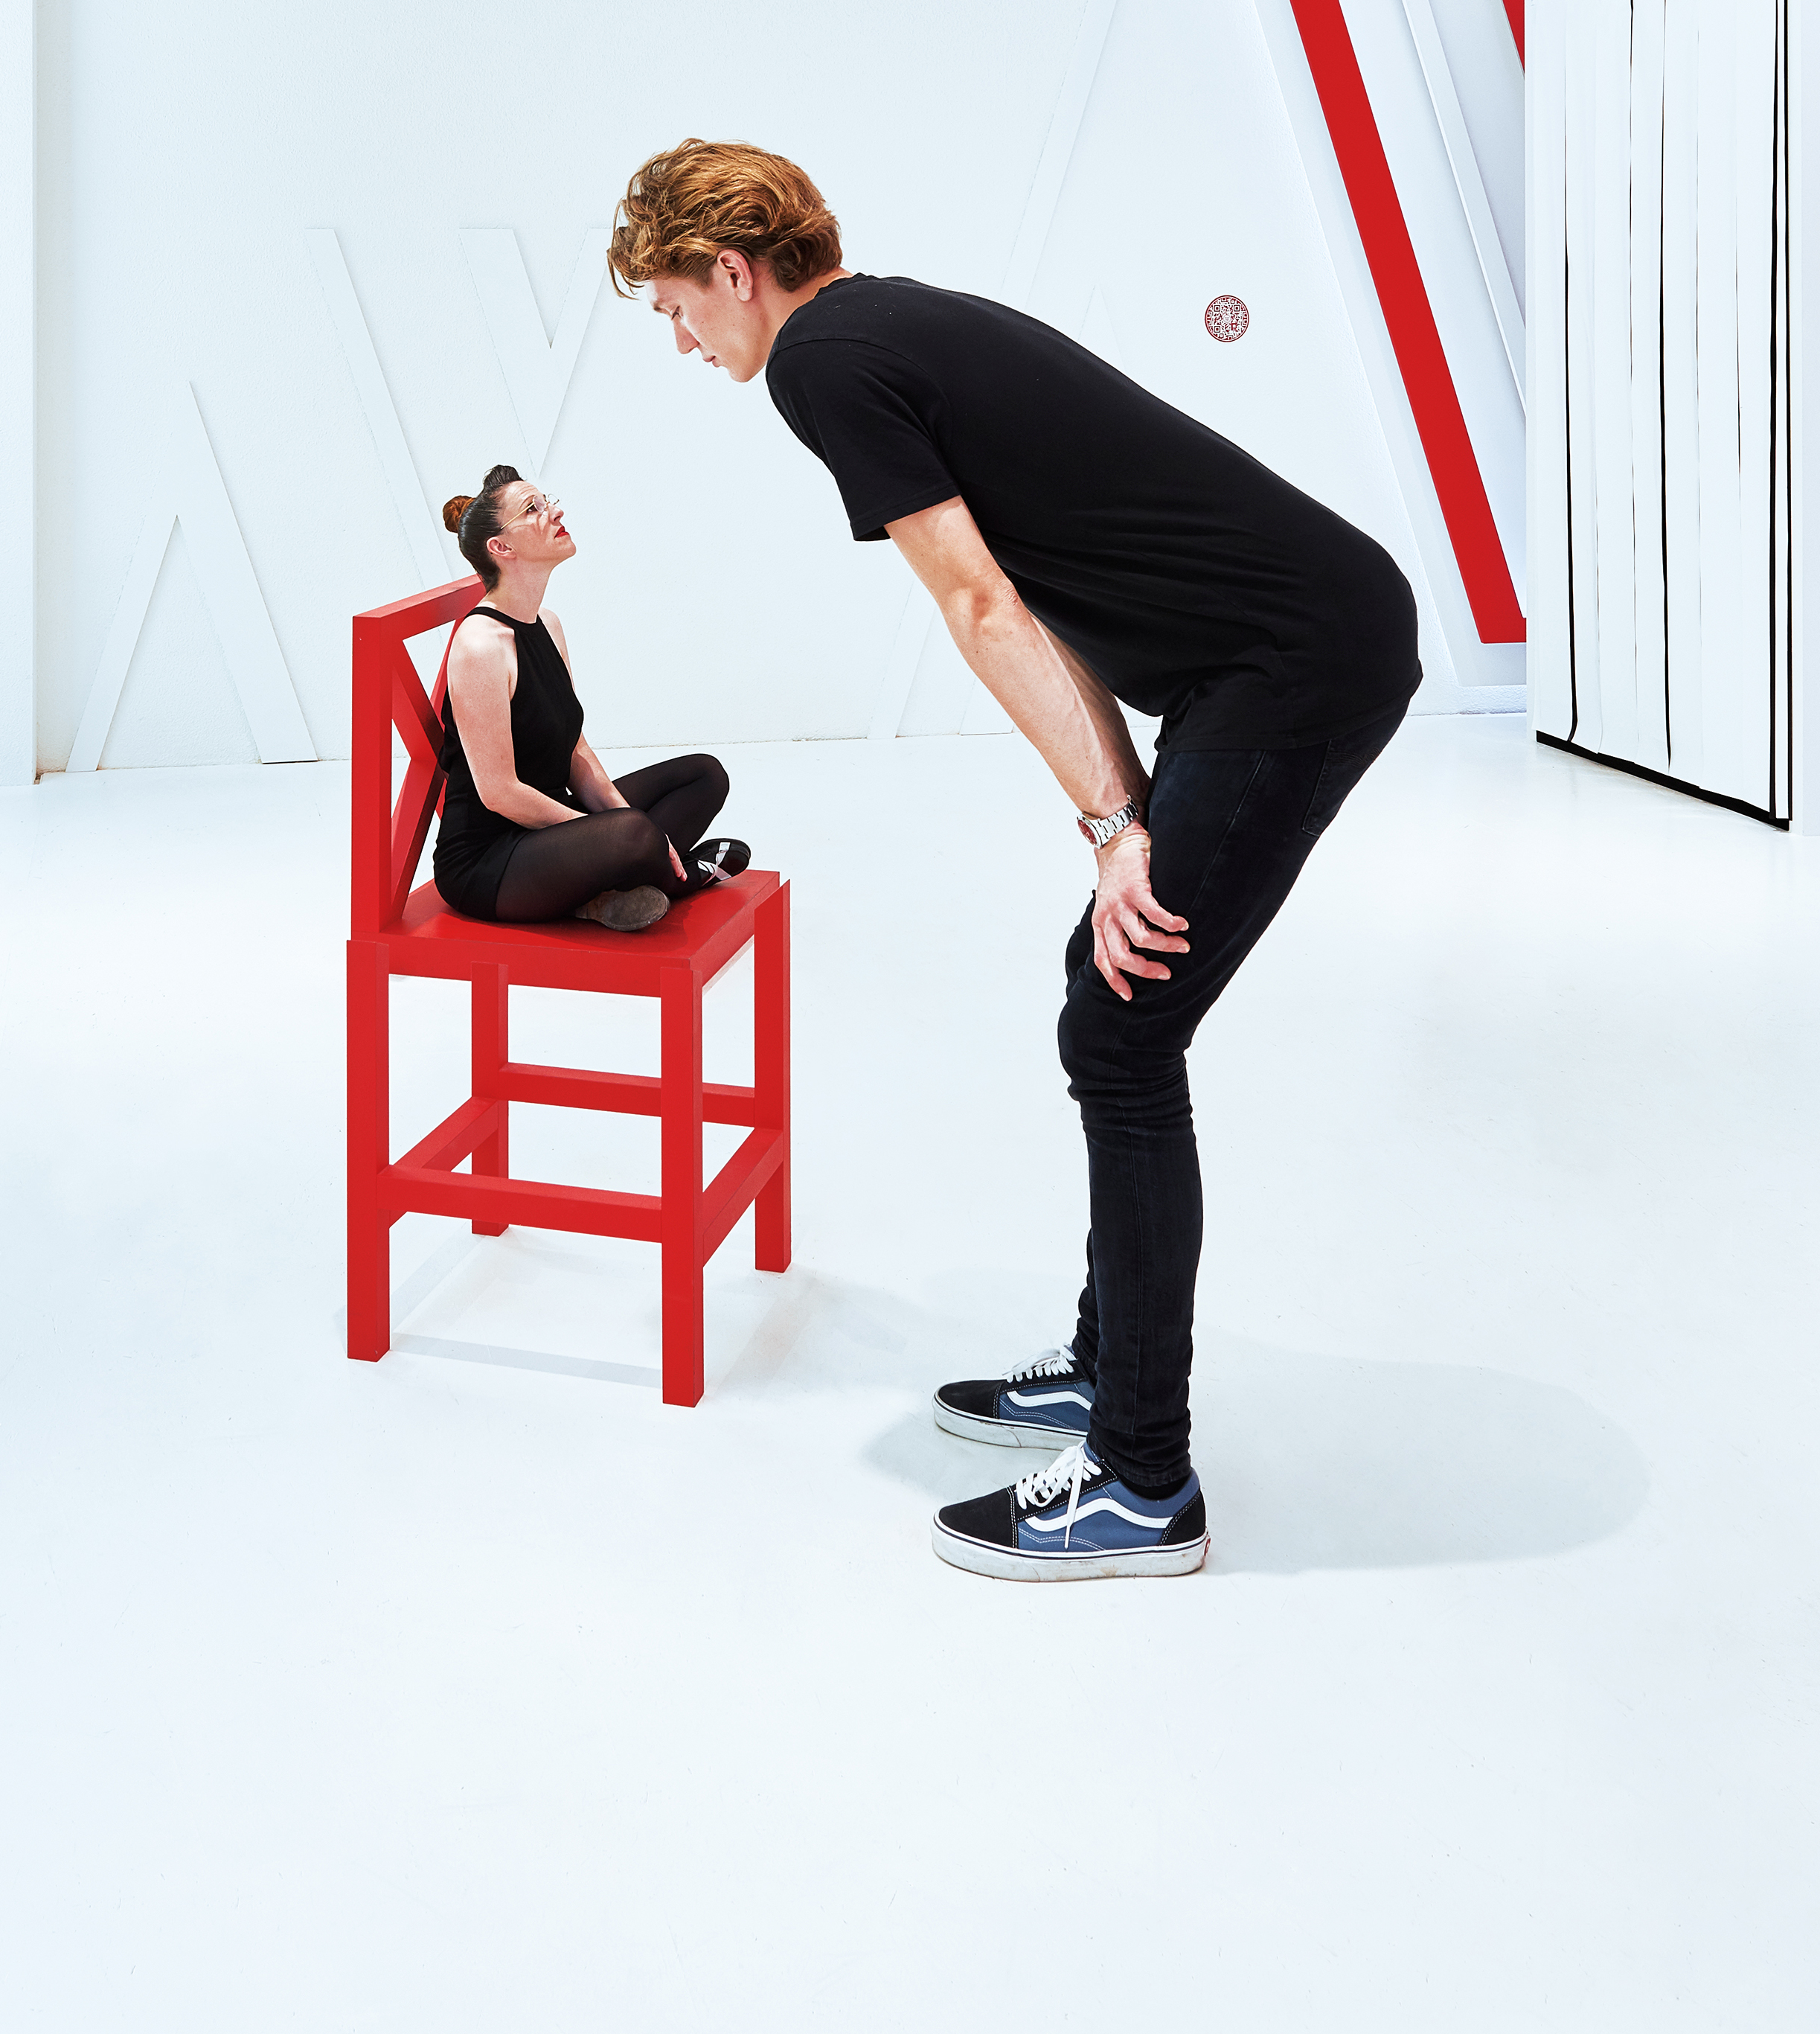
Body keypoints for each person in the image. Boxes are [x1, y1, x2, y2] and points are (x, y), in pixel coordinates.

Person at [606, 143, 1420, 1582]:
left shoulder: (823, 365)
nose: (681, 340)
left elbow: (981, 605)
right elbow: (1040, 604)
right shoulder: (888, 321)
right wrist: (1116, 824)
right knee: (1099, 989)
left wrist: (1122, 835)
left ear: (733, 271)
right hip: (1265, 655)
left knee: (1122, 1025)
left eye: (676, 306)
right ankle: (1113, 1365)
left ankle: (1142, 1481)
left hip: (1295, 660)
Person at [432, 464, 749, 935]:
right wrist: (608, 829)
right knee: (635, 833)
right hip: (490, 859)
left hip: (549, 824)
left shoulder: (549, 625)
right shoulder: (480, 645)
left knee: (704, 775)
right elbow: (498, 793)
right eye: (533, 509)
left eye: (547, 500)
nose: (554, 510)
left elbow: (575, 750)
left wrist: (606, 821)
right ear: (501, 548)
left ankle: (631, 879)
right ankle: (680, 878)